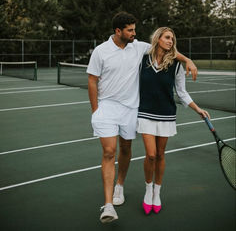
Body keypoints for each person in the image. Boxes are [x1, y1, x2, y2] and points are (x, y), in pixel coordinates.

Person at [87, 12, 197, 223]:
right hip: (107, 108)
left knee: (126, 149)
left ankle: (120, 185)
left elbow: (164, 47)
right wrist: (96, 111)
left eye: (134, 29)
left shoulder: (138, 47)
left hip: (131, 109)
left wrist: (188, 59)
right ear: (118, 31)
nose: (134, 33)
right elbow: (92, 81)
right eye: (130, 30)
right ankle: (108, 205)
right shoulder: (100, 51)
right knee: (109, 152)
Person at [137, 27, 210, 215]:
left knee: (161, 155)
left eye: (172, 39)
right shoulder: (142, 58)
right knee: (151, 155)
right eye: (167, 37)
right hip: (145, 113)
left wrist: (198, 109)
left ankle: (157, 192)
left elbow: (182, 92)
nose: (170, 41)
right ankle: (148, 189)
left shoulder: (176, 65)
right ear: (158, 38)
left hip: (166, 114)